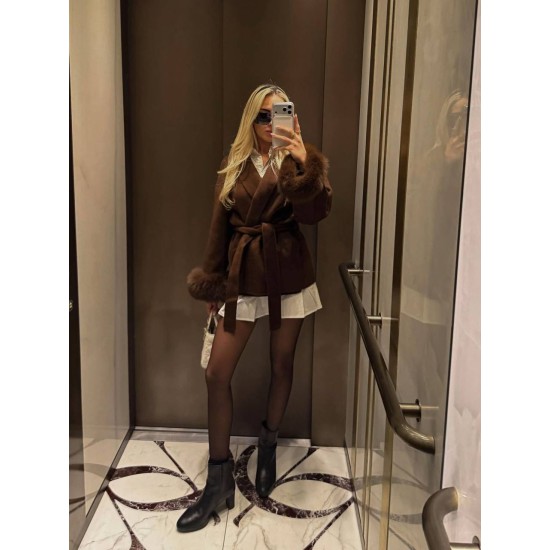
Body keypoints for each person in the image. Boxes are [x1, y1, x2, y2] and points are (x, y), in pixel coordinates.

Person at [177, 84, 332, 533]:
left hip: (288, 273)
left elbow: (317, 213)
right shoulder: (235, 163)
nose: (270, 124)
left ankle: (267, 446)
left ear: (289, 117)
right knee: (216, 373)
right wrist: (213, 281)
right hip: (243, 275)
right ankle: (218, 481)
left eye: (278, 114)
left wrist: (303, 160)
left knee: (282, 364)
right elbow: (219, 228)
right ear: (251, 119)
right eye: (263, 116)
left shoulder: (298, 160)